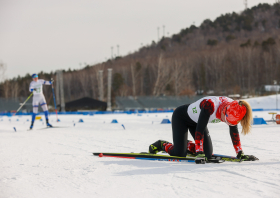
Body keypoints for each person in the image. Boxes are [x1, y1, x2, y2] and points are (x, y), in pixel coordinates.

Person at [149, 96, 259, 161]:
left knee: (207, 155)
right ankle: (161, 144)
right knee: (179, 154)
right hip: (181, 117)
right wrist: (199, 152)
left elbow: (234, 132)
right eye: (224, 119)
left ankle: (185, 144)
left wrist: (240, 153)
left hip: (197, 122)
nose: (225, 122)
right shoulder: (210, 105)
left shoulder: (234, 107)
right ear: (224, 110)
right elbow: (200, 130)